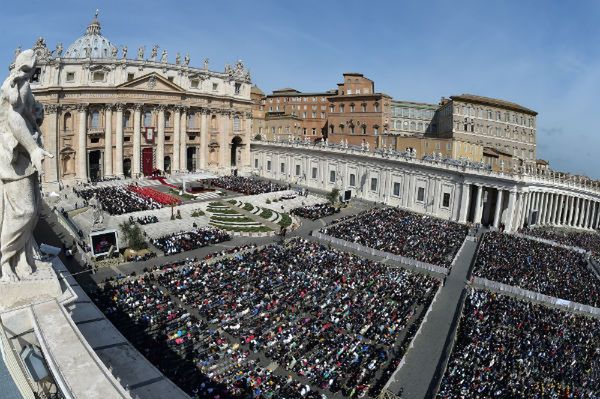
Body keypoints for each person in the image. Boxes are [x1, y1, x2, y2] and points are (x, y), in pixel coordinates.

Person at [0, 49, 54, 281]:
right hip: (14, 159)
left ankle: (22, 256)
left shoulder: (25, 85)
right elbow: (13, 118)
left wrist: (36, 117)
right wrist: (33, 149)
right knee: (24, 212)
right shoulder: (13, 84)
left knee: (32, 215)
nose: (31, 73)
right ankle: (4, 260)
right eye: (30, 68)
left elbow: (27, 114)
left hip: (25, 158)